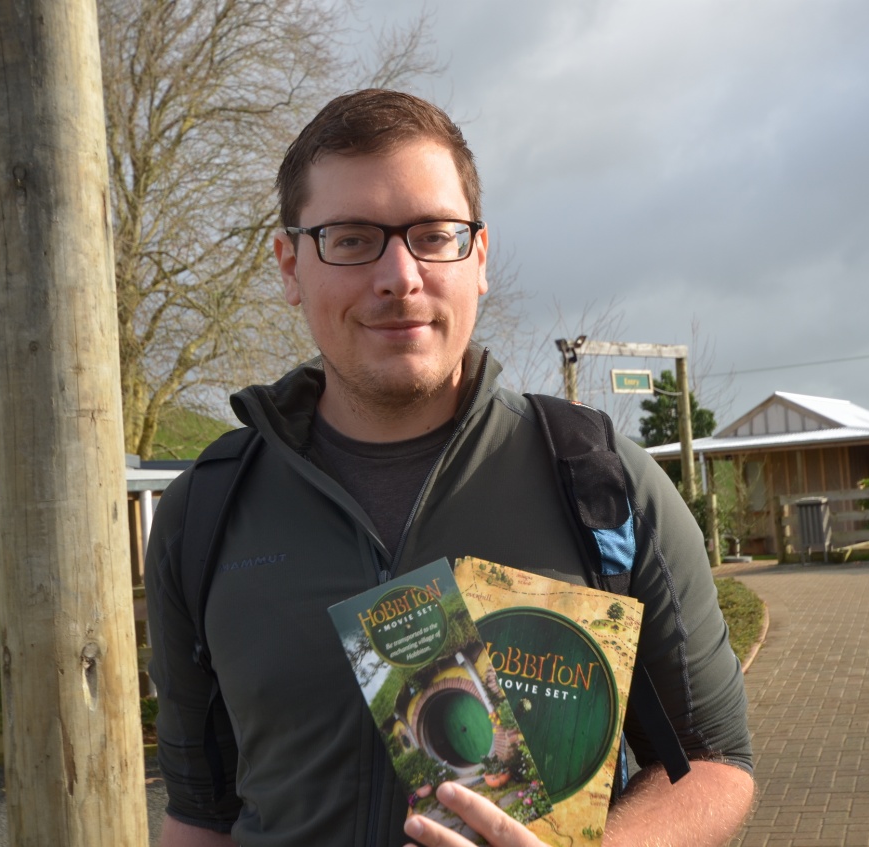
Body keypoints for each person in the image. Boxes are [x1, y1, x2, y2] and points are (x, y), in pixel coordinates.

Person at [146, 88, 754, 847]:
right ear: (290, 264)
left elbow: (714, 762)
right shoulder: (203, 514)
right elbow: (199, 812)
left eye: (434, 235)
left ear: (480, 257)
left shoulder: (603, 486)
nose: (400, 276)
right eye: (351, 238)